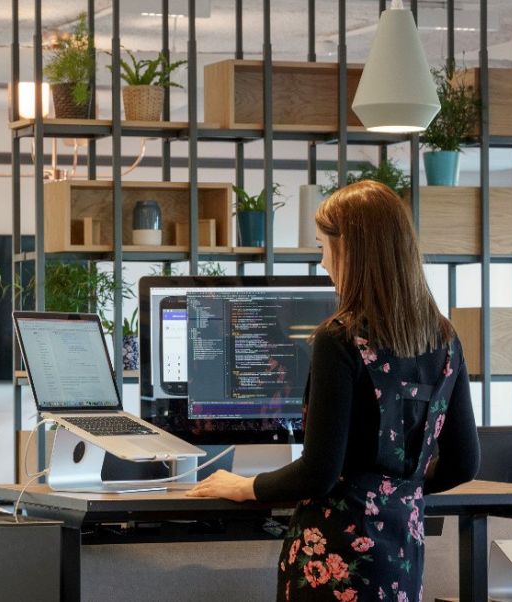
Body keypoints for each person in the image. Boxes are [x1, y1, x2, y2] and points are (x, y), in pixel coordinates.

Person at [187, 181, 480, 601]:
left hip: (336, 557)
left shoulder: (340, 338)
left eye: (324, 247)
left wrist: (244, 486)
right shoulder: (446, 340)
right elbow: (463, 463)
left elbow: (319, 471)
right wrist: (393, 492)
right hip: (402, 551)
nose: (322, 262)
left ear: (352, 252)